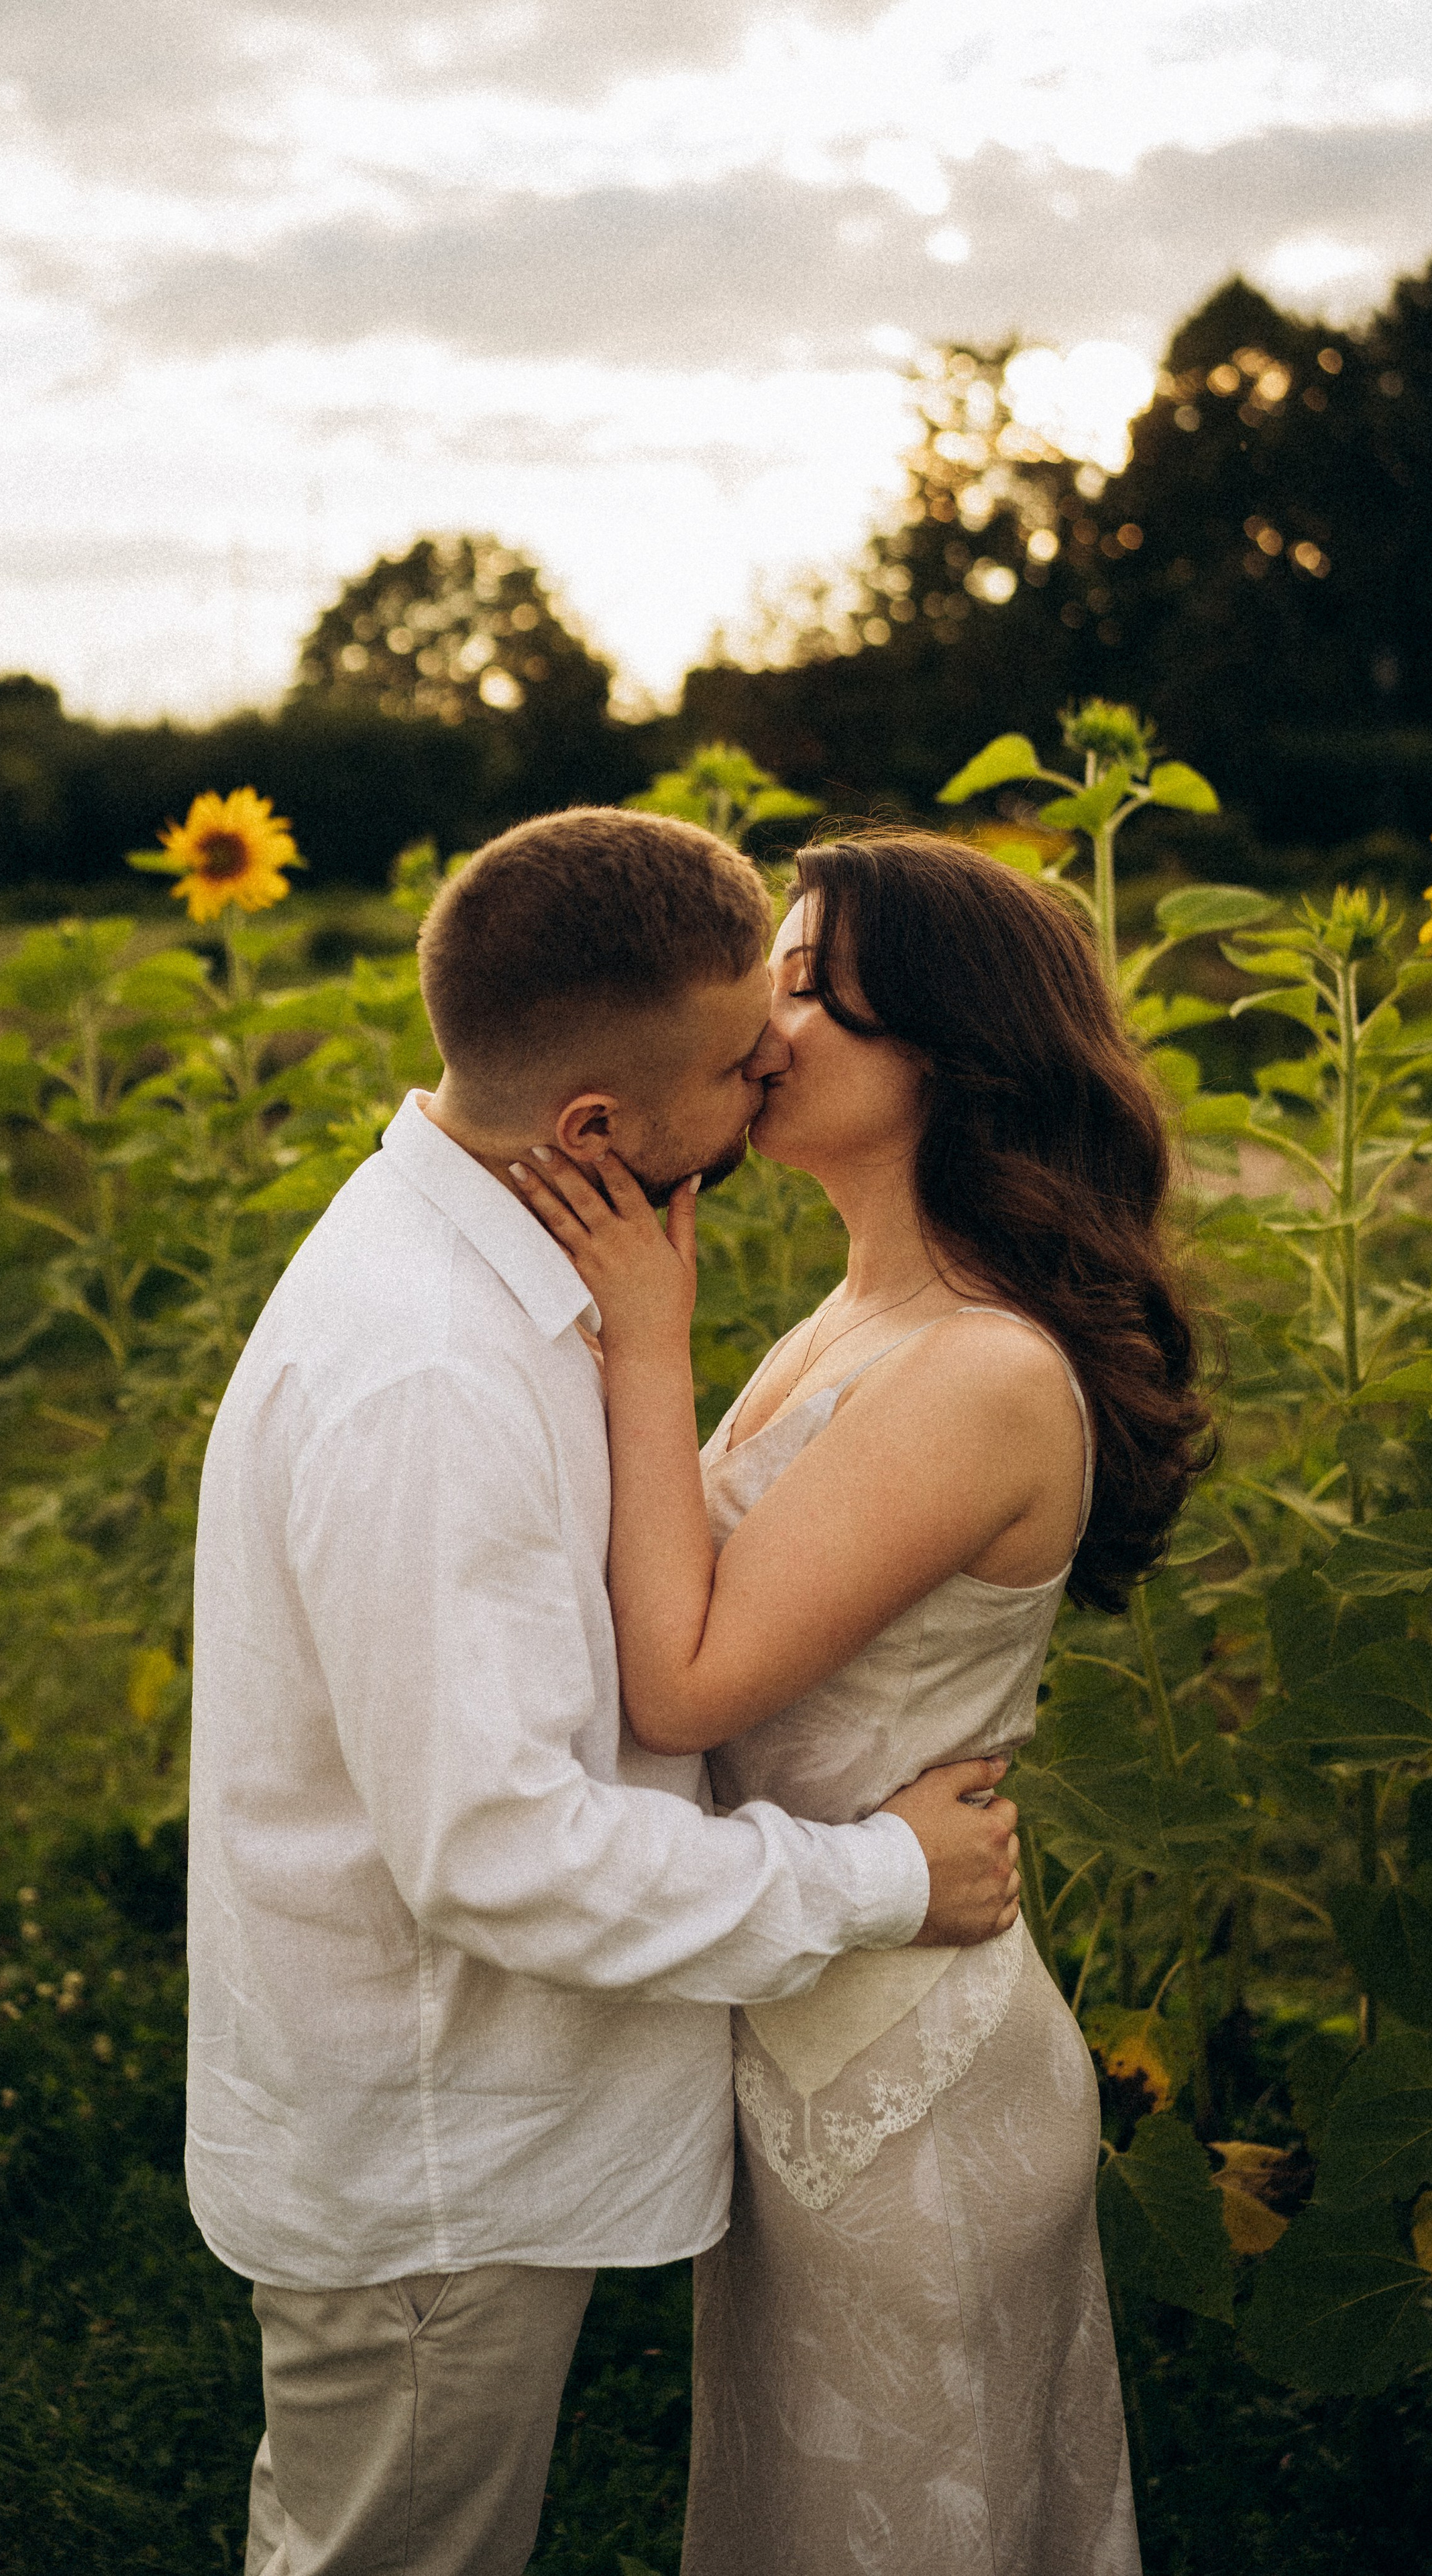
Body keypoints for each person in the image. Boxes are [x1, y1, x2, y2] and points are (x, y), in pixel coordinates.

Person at [184, 807, 1025, 2576]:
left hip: (463, 2112)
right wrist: (879, 1879)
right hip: (433, 2152)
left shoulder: (502, 1269)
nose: (768, 1079)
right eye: (738, 1064)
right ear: (593, 1129)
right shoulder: (431, 1376)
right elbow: (497, 1849)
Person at [512, 828, 1214, 2576]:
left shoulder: (976, 1369)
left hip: (912, 2090)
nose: (765, 1023)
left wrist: (646, 1337)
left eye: (814, 989)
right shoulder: (849, 1317)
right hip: (818, 2016)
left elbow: (679, 1684)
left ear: (951, 1060)